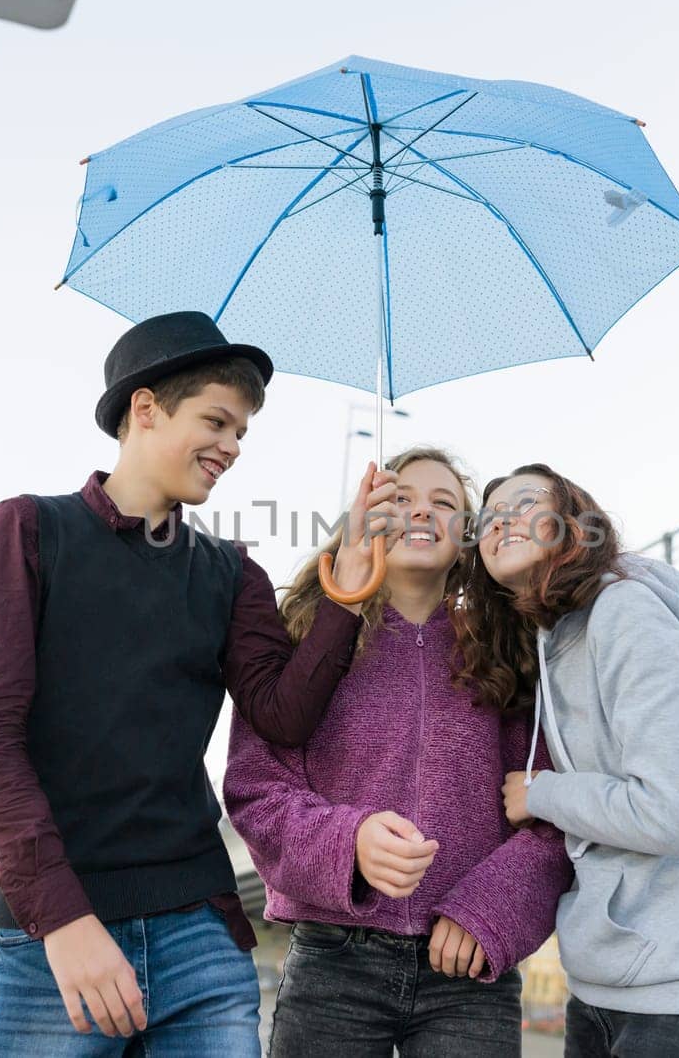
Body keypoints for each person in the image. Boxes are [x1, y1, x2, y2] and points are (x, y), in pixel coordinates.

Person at [0, 311, 399, 1057]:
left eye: (242, 433)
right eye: (217, 421)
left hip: (198, 929)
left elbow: (282, 714)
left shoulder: (232, 573)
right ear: (146, 408)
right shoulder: (30, 530)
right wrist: (62, 921)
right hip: (56, 934)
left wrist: (346, 596)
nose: (230, 447)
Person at [225, 447, 573, 1057]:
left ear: (467, 537)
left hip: (468, 971)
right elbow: (256, 791)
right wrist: (348, 841)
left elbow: (554, 818)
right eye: (402, 498)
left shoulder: (510, 654)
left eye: (444, 503)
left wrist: (489, 909)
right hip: (333, 962)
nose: (421, 512)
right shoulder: (309, 637)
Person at [470, 465, 679, 1058]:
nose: (502, 518)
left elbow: (668, 813)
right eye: (487, 516)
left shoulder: (626, 612)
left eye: (525, 501)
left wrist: (542, 794)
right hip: (607, 995)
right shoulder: (556, 639)